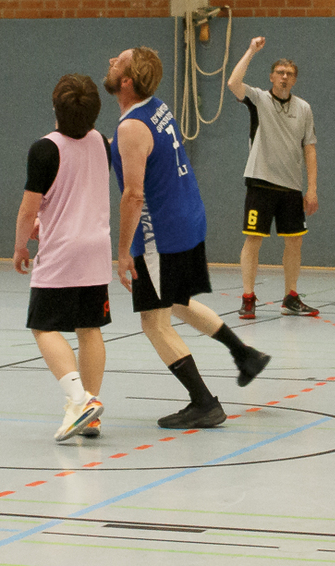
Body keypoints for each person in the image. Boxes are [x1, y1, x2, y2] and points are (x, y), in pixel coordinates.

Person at [105, 47, 270, 430]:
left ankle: (204, 402)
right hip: (188, 219)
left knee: (154, 323)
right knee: (177, 302)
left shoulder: (130, 127)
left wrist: (123, 251)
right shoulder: (157, 107)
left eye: (119, 61)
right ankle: (244, 353)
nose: (112, 59)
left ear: (126, 81)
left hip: (161, 234)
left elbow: (133, 195)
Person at [14, 74, 111, 442]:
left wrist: (21, 245)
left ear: (55, 107)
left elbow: (28, 211)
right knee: (89, 328)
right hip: (97, 250)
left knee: (43, 325)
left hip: (61, 253)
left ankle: (79, 399)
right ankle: (91, 409)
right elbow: (80, 191)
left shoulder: (44, 149)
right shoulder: (103, 142)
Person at [227, 37, 319, 319]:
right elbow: (233, 83)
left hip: (291, 186)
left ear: (294, 80)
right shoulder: (258, 98)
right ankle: (248, 297)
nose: (284, 77)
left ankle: (291, 297)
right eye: (280, 72)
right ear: (271, 77)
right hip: (260, 182)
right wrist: (251, 50)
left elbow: (310, 148)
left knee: (294, 242)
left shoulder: (303, 108)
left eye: (289, 74)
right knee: (253, 239)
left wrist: (312, 189)